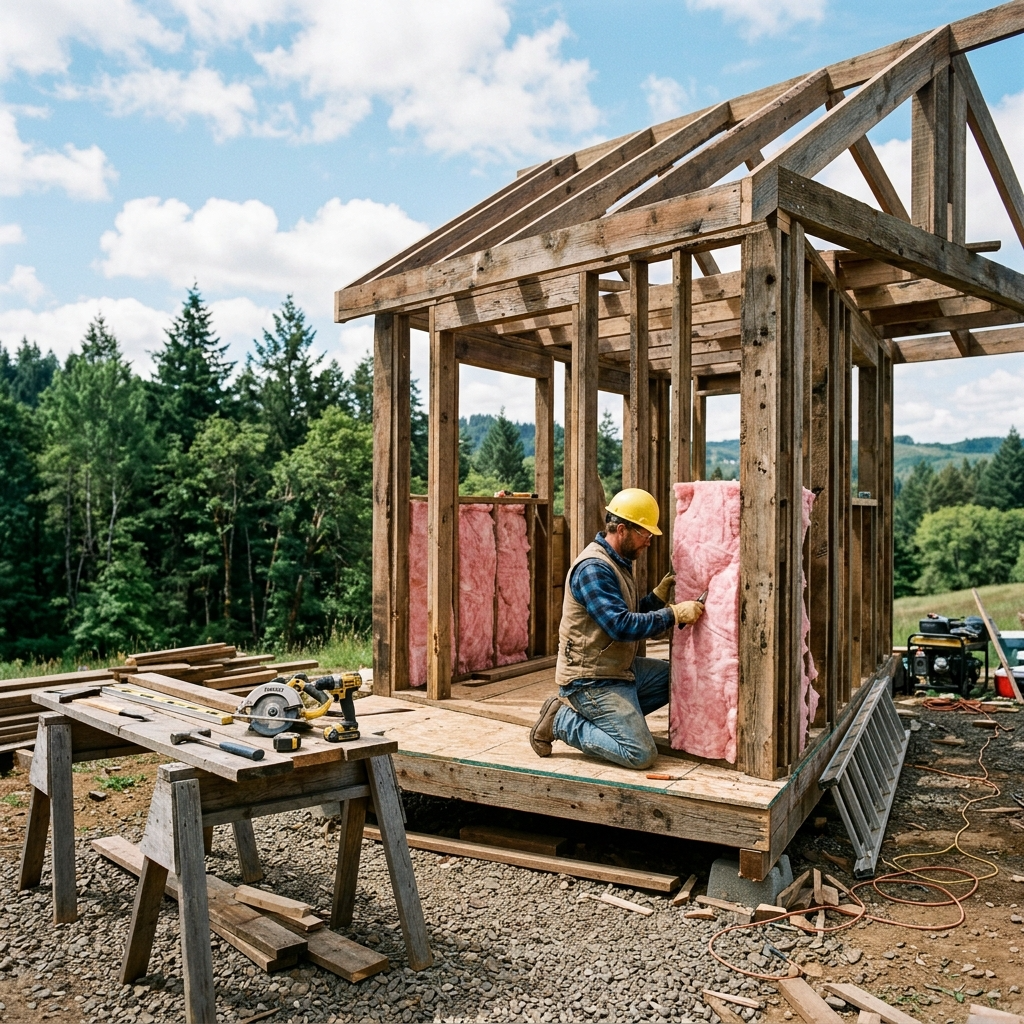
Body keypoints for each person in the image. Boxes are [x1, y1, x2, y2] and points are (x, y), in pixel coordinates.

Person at [529, 487, 704, 769]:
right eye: (645, 535)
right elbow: (619, 626)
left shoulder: (618, 562)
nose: (648, 542)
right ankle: (560, 720)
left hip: (616, 669)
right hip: (590, 679)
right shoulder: (594, 568)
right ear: (622, 530)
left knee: (678, 678)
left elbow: (624, 614)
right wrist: (672, 614)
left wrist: (657, 597)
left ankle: (614, 720)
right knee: (640, 753)